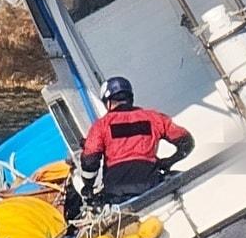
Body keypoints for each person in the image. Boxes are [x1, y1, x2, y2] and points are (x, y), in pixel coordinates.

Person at [78, 76, 195, 204]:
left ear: (108, 102)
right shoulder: (153, 117)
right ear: (130, 97)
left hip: (117, 189)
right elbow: (186, 142)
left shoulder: (101, 126)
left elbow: (89, 161)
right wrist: (168, 162)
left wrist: (88, 186)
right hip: (150, 182)